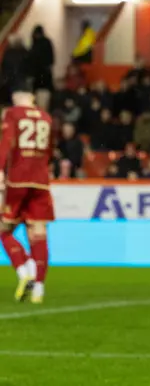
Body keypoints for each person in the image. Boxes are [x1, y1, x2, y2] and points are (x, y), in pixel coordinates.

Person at [0, 82, 55, 304]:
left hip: (18, 178)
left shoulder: (13, 114)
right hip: (41, 180)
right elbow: (49, 150)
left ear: (17, 95)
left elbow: (6, 143)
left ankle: (24, 270)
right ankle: (39, 289)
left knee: (3, 229)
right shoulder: (46, 117)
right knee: (38, 232)